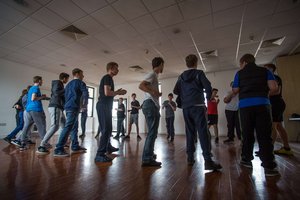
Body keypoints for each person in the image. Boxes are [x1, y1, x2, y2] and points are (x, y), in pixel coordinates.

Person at [232, 54, 279, 176]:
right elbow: (274, 88)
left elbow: (235, 90)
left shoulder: (240, 73)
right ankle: (269, 166)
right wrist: (265, 95)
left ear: (244, 63)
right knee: (264, 135)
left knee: (247, 134)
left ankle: (246, 159)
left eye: (240, 64)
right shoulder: (265, 71)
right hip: (263, 104)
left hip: (245, 106)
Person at [173, 54, 222, 170]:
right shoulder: (199, 73)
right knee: (203, 132)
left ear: (186, 64)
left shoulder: (181, 76)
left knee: (190, 132)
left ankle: (190, 158)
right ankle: (208, 161)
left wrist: (185, 95)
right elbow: (208, 86)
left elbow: (175, 90)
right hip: (198, 106)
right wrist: (209, 97)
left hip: (186, 108)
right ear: (196, 62)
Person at [94, 62, 127, 163]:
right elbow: (107, 93)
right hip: (103, 106)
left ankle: (108, 147)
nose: (118, 70)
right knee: (105, 129)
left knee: (109, 128)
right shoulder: (107, 77)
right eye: (116, 68)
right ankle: (99, 155)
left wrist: (116, 92)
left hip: (106, 106)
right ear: (111, 68)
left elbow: (106, 93)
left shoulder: (109, 79)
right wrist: (118, 92)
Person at [53, 68, 89, 157]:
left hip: (68, 107)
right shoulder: (81, 83)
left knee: (74, 127)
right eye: (82, 74)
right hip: (73, 108)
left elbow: (64, 96)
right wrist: (84, 105)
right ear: (77, 74)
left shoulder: (68, 84)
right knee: (68, 127)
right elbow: (85, 94)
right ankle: (58, 149)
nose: (83, 76)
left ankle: (75, 146)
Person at [11, 76, 49, 150]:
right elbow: (33, 98)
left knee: (27, 126)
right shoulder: (36, 88)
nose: (42, 82)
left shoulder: (31, 89)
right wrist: (41, 97)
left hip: (28, 110)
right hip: (36, 109)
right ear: (39, 81)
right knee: (41, 126)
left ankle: (21, 142)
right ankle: (44, 143)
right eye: (42, 80)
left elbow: (31, 99)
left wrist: (43, 97)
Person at [139, 57, 164, 167]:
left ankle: (149, 154)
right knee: (152, 133)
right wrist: (154, 91)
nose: (163, 67)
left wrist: (156, 94)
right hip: (150, 105)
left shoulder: (154, 76)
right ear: (160, 64)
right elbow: (141, 85)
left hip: (150, 105)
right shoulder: (152, 74)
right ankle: (147, 158)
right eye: (163, 65)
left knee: (152, 133)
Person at [36, 73, 69, 154]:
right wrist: (67, 90)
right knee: (55, 126)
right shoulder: (57, 82)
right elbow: (56, 93)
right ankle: (42, 145)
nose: (67, 80)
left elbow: (60, 95)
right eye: (67, 79)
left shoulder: (61, 85)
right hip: (55, 106)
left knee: (64, 126)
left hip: (59, 107)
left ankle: (60, 143)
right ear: (64, 78)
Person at [264, 64, 293, 155]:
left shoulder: (274, 77)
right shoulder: (269, 78)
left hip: (276, 103)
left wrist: (264, 95)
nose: (265, 69)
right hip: (276, 103)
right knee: (279, 127)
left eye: (266, 68)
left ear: (272, 69)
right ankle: (287, 148)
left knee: (273, 126)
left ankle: (269, 150)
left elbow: (276, 91)